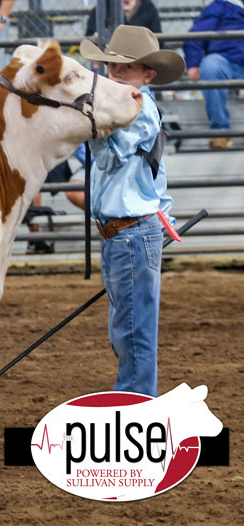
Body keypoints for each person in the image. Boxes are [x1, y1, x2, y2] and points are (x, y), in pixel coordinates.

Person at [79, 25, 185, 397]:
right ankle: (136, 401)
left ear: (147, 74)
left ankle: (137, 407)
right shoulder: (138, 105)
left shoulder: (137, 108)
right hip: (130, 233)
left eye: (125, 68)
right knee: (129, 329)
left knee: (132, 332)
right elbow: (154, 173)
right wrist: (165, 215)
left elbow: (109, 160)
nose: (115, 75)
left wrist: (93, 123)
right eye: (111, 68)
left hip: (129, 234)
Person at [183, 0, 244, 150]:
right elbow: (198, 33)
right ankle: (220, 132)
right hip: (228, 60)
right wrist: (194, 63)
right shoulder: (222, 5)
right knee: (210, 65)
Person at [86, 0, 161, 39]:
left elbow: (157, 36)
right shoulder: (104, 7)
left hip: (140, 55)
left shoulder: (148, 7)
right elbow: (90, 35)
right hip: (111, 55)